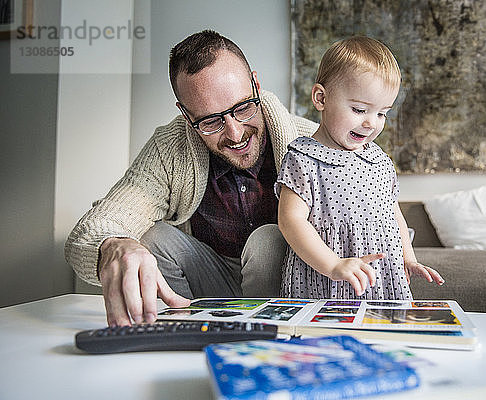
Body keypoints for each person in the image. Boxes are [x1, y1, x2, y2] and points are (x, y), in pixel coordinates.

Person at [64, 30, 318, 327]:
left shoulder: (311, 142)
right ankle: (181, 329)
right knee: (152, 238)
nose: (235, 134)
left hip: (289, 296)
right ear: (186, 115)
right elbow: (89, 232)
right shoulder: (169, 148)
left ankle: (265, 335)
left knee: (267, 241)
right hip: (207, 291)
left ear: (256, 86)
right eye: (211, 121)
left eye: (243, 107)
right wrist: (111, 246)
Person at [276, 36, 444, 299]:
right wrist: (332, 265)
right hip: (327, 280)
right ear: (321, 98)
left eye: (381, 114)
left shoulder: (380, 161)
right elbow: (290, 220)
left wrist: (408, 258)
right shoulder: (304, 158)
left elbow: (393, 215)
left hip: (381, 279)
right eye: (359, 109)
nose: (371, 124)